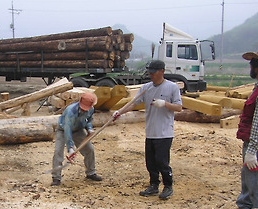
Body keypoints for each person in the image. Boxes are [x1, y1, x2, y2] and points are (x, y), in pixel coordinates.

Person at [112, 60, 182, 199]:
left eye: (153, 72)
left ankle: (168, 186)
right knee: (150, 162)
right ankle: (153, 185)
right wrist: (120, 111)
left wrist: (165, 104)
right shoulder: (146, 88)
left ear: (162, 71)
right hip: (151, 132)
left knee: (162, 162)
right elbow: (133, 103)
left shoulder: (172, 87)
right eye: (149, 72)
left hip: (164, 132)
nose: (151, 75)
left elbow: (179, 107)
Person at [51, 92, 102, 186]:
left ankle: (91, 172)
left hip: (78, 130)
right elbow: (67, 130)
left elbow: (89, 120)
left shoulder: (91, 109)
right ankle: (56, 178)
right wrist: (70, 148)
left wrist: (89, 129)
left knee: (89, 150)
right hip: (63, 130)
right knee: (58, 152)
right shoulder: (71, 111)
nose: (84, 110)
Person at [235, 51, 258, 209]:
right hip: (250, 142)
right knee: (247, 176)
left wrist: (252, 150)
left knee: (253, 178)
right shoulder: (256, 87)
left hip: (254, 143)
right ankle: (245, 205)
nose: (250, 67)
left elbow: (257, 122)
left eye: (252, 64)